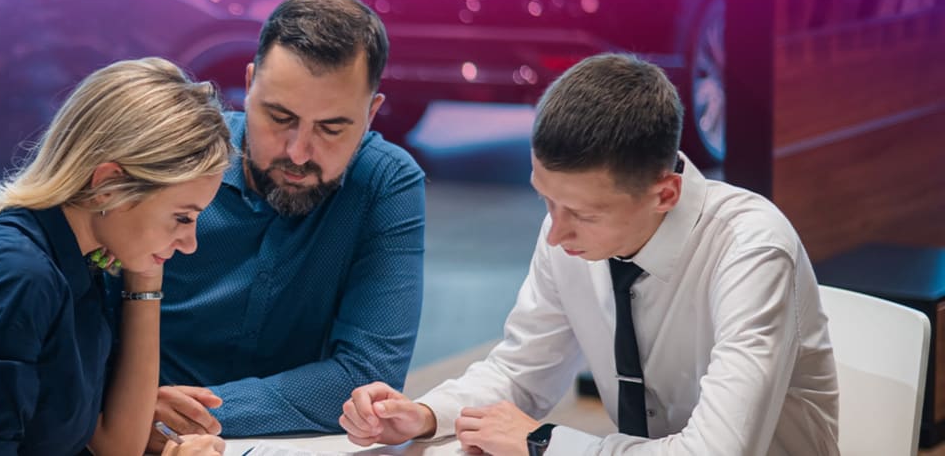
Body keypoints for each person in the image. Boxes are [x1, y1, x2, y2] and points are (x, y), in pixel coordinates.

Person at [338, 54, 839, 455]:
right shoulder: (568, 231)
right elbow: (521, 373)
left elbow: (716, 451)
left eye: (583, 214)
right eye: (545, 200)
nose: (556, 234)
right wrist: (425, 415)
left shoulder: (751, 251)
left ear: (665, 194)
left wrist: (543, 443)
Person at [0, 57, 234, 456]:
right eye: (182, 217)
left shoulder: (80, 256)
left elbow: (117, 445)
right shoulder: (17, 277)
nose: (190, 243)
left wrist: (145, 276)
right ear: (108, 185)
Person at [149, 0, 427, 450]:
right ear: (249, 85)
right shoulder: (177, 158)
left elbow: (367, 378)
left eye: (331, 128)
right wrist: (124, 408)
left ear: (371, 114)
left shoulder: (385, 183)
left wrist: (189, 416)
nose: (298, 152)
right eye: (279, 117)